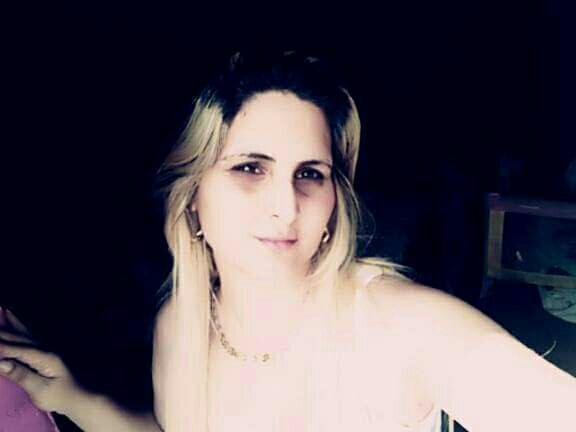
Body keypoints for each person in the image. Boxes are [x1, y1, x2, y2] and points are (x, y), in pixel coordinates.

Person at [1, 51, 575, 432]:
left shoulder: (402, 326)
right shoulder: (183, 321)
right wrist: (78, 401)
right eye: (250, 168)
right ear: (192, 193)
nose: (286, 205)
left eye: (310, 173)